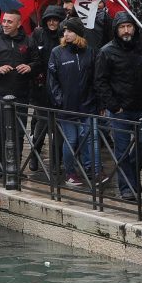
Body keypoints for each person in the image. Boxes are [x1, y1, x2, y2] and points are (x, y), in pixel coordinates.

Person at [95, 12, 142, 200]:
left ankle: (131, 179)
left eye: (129, 26)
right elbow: (100, 81)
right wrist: (113, 106)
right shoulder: (107, 51)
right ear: (116, 30)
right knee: (121, 149)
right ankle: (127, 187)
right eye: (122, 27)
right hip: (121, 110)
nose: (126, 30)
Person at [49, 18, 98, 186]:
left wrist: (96, 100)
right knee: (71, 139)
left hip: (87, 103)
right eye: (64, 31)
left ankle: (92, 171)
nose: (66, 34)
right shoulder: (57, 52)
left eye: (69, 30)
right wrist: (59, 99)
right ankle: (70, 172)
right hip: (67, 105)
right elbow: (52, 79)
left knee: (88, 137)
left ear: (77, 33)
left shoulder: (90, 52)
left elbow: (95, 78)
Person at [0, 11, 35, 177]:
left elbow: (37, 61)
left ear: (18, 24)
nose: (5, 24)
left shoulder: (28, 41)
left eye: (9, 22)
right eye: (4, 21)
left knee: (18, 132)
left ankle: (15, 167)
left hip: (21, 93)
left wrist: (30, 67)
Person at [26, 6, 65, 168]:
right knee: (42, 123)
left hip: (60, 86)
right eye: (49, 19)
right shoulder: (38, 34)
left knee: (58, 125)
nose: (52, 22)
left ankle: (57, 160)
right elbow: (33, 56)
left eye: (55, 19)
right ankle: (34, 156)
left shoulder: (64, 36)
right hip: (41, 86)